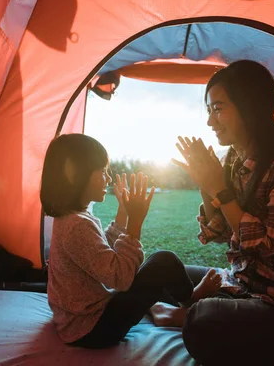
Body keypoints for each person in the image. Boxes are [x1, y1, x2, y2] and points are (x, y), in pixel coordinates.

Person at [152, 60, 274, 365]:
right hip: (250, 289)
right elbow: (216, 233)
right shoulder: (235, 162)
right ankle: (189, 308)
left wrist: (221, 190)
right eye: (209, 110)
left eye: (218, 108)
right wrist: (206, 184)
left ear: (249, 106)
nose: (210, 122)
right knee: (163, 270)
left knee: (203, 322)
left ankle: (187, 314)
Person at [40, 133, 221, 349]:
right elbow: (119, 278)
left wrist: (123, 211)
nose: (108, 179)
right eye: (103, 172)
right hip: (95, 329)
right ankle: (188, 300)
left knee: (151, 266)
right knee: (163, 262)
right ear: (75, 175)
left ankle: (165, 309)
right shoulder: (76, 225)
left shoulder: (70, 219)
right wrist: (135, 221)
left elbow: (98, 254)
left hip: (79, 325)